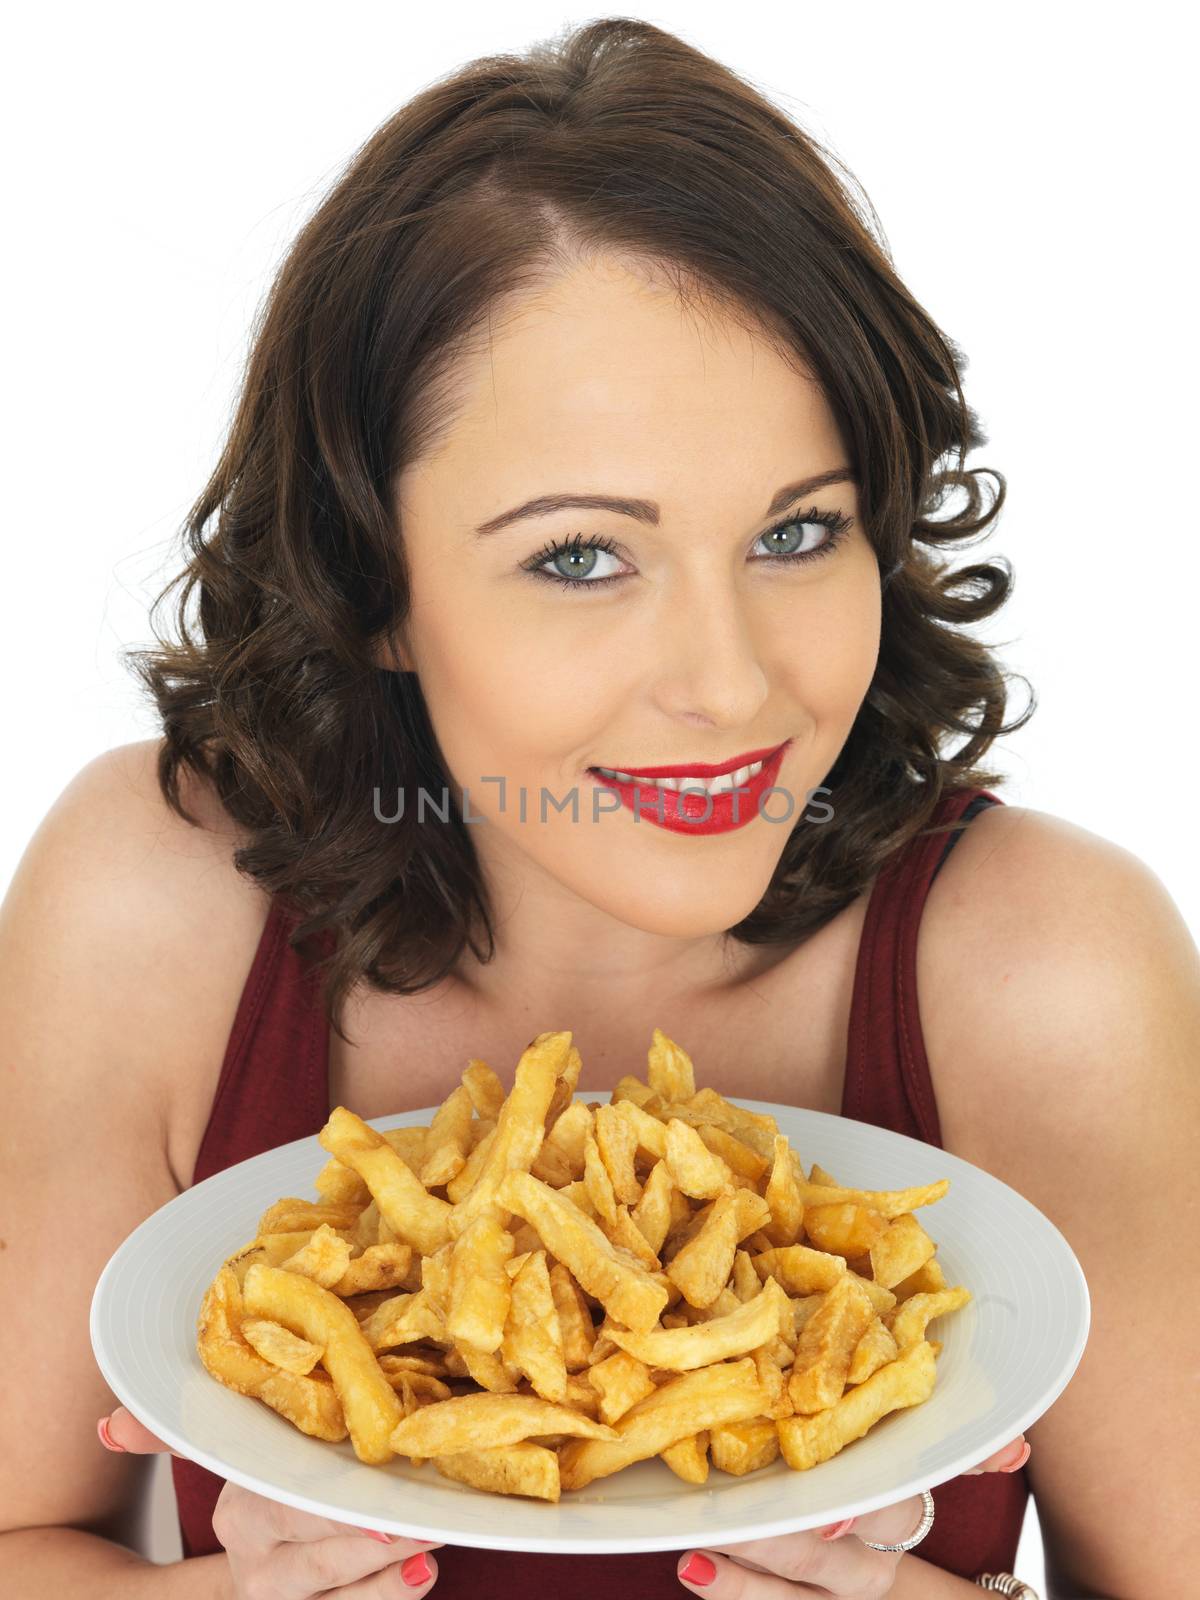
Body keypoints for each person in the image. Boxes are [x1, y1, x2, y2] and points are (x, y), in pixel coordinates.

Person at [1, 16, 1195, 1600]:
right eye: (581, 556)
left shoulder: (1051, 967)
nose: (729, 685)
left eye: (797, 533)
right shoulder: (152, 903)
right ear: (374, 581)